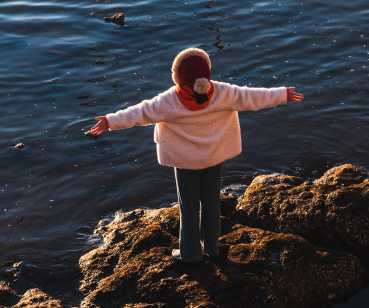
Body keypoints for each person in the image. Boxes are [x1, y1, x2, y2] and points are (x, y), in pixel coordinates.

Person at [89, 47, 304, 263]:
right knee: (211, 203)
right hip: (213, 159)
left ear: (178, 77)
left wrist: (110, 121)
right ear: (207, 73)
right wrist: (282, 94)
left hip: (185, 164)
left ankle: (190, 255)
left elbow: (140, 112)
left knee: (189, 207)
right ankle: (212, 248)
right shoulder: (223, 92)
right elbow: (252, 96)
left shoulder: (169, 100)